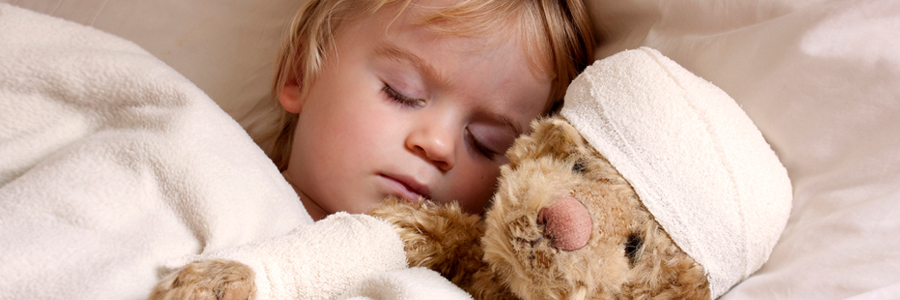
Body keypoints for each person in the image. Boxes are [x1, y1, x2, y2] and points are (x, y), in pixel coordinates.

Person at [244, 0, 595, 221]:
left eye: (485, 142)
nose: (438, 146)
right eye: (402, 94)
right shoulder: (204, 150)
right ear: (300, 74)